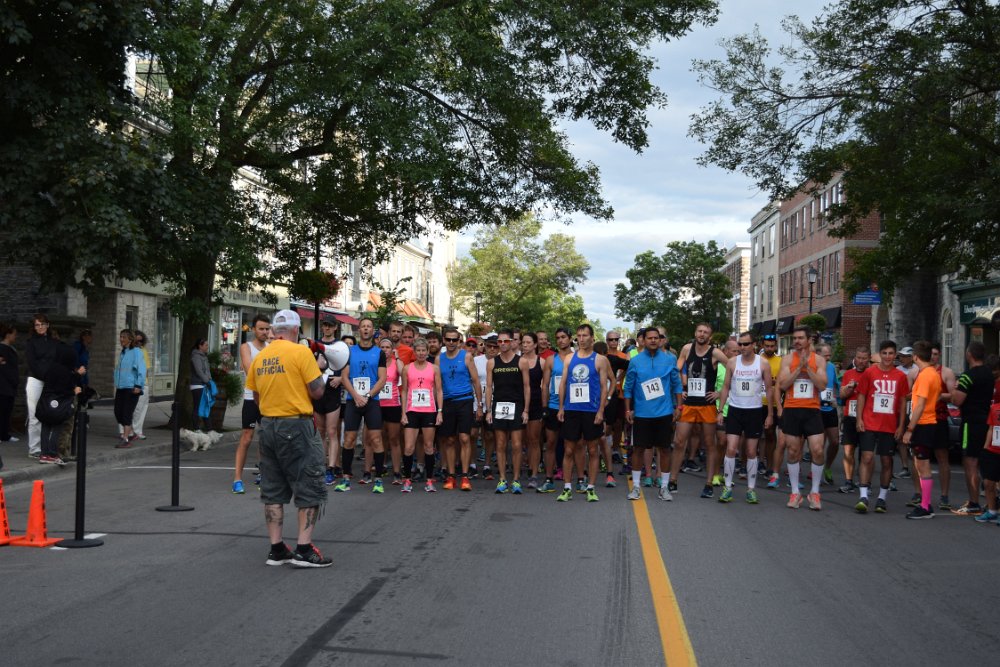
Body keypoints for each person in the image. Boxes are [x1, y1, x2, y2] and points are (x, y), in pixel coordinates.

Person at [245, 309, 330, 568]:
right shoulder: (301, 352)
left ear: (274, 330)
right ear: (295, 330)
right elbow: (318, 392)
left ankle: (277, 548)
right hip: (297, 424)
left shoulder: (261, 357)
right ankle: (303, 549)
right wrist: (320, 369)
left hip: (268, 425)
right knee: (309, 482)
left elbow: (256, 396)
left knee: (272, 488)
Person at [623, 327, 683, 501]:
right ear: (643, 340)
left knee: (665, 449)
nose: (653, 340)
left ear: (661, 340)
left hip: (664, 412)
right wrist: (627, 409)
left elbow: (676, 384)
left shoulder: (669, 359)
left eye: (657, 337)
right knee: (638, 449)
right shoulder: (635, 361)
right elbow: (628, 387)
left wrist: (679, 407)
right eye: (650, 338)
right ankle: (636, 487)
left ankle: (664, 487)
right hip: (642, 413)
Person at [556, 323, 612, 502]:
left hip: (591, 411)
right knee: (569, 450)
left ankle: (591, 488)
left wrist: (601, 410)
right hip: (572, 410)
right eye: (578, 336)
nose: (581, 339)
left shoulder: (600, 359)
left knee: (593, 450)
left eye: (585, 335)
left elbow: (604, 387)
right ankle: (567, 488)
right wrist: (561, 407)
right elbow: (563, 384)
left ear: (592, 338)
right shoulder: (569, 358)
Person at [672, 322, 729, 498]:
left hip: (707, 405)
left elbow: (733, 369)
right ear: (695, 333)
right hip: (689, 403)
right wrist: (680, 388)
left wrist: (720, 392)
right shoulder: (686, 349)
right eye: (699, 331)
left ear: (709, 336)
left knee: (710, 444)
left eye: (705, 332)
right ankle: (672, 480)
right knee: (679, 441)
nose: (702, 334)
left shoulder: (715, 353)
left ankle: (709, 483)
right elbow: (675, 370)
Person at [775, 325, 828, 510]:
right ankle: (795, 492)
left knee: (818, 450)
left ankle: (815, 492)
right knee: (792, 451)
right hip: (792, 409)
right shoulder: (787, 359)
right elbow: (783, 385)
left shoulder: (819, 360)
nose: (796, 341)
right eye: (795, 338)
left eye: (800, 338)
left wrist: (808, 369)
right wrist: (799, 368)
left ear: (809, 340)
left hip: (812, 410)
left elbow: (822, 385)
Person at [717, 331, 774, 504]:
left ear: (754, 344)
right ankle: (727, 487)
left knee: (750, 451)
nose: (742, 347)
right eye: (740, 344)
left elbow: (769, 389)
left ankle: (751, 489)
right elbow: (725, 387)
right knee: (731, 449)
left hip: (754, 411)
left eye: (746, 344)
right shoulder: (732, 362)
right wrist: (720, 410)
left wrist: (770, 414)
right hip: (735, 410)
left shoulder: (762, 363)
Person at [853, 340, 907, 513]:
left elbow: (903, 402)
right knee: (867, 457)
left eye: (891, 353)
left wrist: (901, 426)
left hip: (889, 425)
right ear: (879, 354)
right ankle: (863, 496)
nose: (887, 357)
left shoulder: (900, 376)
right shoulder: (870, 372)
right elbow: (861, 395)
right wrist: (859, 419)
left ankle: (882, 498)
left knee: (886, 461)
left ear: (895, 355)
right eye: (884, 353)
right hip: (870, 422)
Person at [336, 317, 387, 493]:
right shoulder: (350, 351)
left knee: (376, 439)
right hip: (353, 400)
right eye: (363, 326)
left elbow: (382, 379)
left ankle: (378, 479)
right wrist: (356, 396)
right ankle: (346, 478)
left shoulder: (379, 353)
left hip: (371, 401)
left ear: (373, 331)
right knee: (349, 439)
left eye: (369, 327)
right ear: (359, 330)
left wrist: (367, 396)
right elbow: (344, 377)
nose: (366, 329)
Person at [436, 327, 482, 489]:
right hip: (447, 402)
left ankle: (465, 476)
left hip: (465, 400)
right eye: (448, 339)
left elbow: (476, 381)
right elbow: (437, 386)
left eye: (454, 340)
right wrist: (438, 408)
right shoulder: (439, 359)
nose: (451, 342)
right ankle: (451, 475)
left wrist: (480, 405)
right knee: (449, 440)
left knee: (464, 438)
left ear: (459, 341)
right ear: (443, 340)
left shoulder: (467, 356)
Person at [951, 341, 993, 515]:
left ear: (969, 354)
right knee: (984, 461)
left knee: (970, 462)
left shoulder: (967, 376)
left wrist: (952, 392)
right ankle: (989, 502)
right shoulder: (989, 374)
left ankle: (974, 502)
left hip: (970, 422)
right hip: (986, 421)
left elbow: (957, 400)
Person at [902, 340, 943, 519]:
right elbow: (935, 395)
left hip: (923, 424)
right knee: (920, 464)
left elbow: (920, 405)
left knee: (923, 465)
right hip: (926, 422)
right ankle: (925, 504)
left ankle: (926, 506)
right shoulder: (932, 373)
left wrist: (910, 429)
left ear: (915, 357)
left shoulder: (926, 375)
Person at [485, 329, 529, 493]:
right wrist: (488, 410)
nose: (503, 344)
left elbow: (527, 387)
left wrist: (526, 410)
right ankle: (502, 479)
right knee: (501, 444)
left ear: (512, 342)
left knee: (517, 445)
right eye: (500, 341)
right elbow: (489, 387)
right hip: (499, 406)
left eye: (506, 341)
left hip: (516, 405)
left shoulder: (521, 361)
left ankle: (516, 480)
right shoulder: (492, 363)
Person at [400, 338, 444, 492]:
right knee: (409, 447)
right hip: (412, 411)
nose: (420, 353)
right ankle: (407, 480)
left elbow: (439, 390)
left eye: (423, 350)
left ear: (427, 351)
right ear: (414, 351)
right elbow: (404, 391)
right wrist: (403, 412)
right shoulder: (407, 368)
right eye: (418, 350)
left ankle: (429, 480)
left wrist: (439, 412)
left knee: (428, 446)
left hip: (429, 411)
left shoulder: (434, 368)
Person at [233, 315, 270, 494]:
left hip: (268, 398)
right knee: (247, 437)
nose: (264, 332)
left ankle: (264, 473)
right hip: (251, 398)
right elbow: (250, 371)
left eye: (267, 329)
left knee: (266, 438)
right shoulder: (246, 347)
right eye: (261, 329)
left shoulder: (272, 347)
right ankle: (237, 479)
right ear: (254, 329)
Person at [37, 339, 84, 465]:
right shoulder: (66, 372)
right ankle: (52, 454)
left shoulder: (51, 368)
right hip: (58, 405)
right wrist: (75, 389)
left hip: (45, 403)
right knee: (57, 428)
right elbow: (66, 387)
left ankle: (44, 454)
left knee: (45, 428)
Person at [540, 327, 573, 492]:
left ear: (570, 339)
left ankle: (575, 480)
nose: (561, 340)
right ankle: (549, 479)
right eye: (558, 338)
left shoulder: (577, 358)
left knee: (572, 446)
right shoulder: (550, 360)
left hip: (572, 406)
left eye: (564, 337)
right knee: (551, 444)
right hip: (553, 406)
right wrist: (545, 407)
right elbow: (545, 385)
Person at [838, 347, 871, 493]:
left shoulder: (872, 373)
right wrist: (849, 389)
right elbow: (841, 395)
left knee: (866, 453)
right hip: (850, 416)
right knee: (848, 450)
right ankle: (848, 481)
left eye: (864, 358)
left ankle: (866, 482)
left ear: (868, 359)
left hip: (867, 417)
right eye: (858, 358)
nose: (861, 361)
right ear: (855, 358)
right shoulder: (848, 374)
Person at [25, 313, 57, 457]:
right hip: (35, 380)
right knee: (34, 416)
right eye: (37, 325)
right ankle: (34, 449)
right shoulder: (31, 342)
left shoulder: (53, 341)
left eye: (42, 324)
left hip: (50, 381)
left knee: (50, 414)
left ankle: (48, 446)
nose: (40, 327)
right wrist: (45, 376)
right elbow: (32, 363)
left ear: (48, 325)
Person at [519, 332, 545, 489]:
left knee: (534, 439)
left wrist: (545, 406)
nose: (525, 345)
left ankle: (534, 473)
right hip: (518, 402)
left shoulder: (541, 362)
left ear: (535, 344)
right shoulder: (517, 361)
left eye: (528, 342)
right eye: (523, 342)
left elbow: (545, 385)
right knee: (520, 440)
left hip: (535, 402)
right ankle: (519, 470)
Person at [114, 329, 146, 448]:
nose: (121, 339)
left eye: (124, 337)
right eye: (120, 336)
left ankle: (126, 439)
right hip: (121, 387)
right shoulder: (123, 352)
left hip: (131, 388)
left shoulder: (136, 351)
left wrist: (138, 385)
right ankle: (131, 432)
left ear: (130, 339)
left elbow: (142, 369)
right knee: (118, 412)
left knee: (126, 413)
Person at [379, 337, 405, 485]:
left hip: (393, 404)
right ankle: (381, 466)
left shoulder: (396, 362)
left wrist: (398, 357)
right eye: (382, 347)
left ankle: (396, 471)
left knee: (394, 439)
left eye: (387, 347)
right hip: (377, 404)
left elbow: (403, 373)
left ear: (392, 349)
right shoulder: (376, 362)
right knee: (380, 437)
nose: (385, 350)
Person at [816, 343, 842, 486]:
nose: (828, 358)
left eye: (829, 355)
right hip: (816, 409)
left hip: (830, 408)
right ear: (818, 355)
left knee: (835, 442)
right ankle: (817, 471)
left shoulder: (831, 367)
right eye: (825, 356)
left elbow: (836, 385)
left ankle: (827, 467)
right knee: (818, 444)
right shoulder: (813, 366)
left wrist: (838, 399)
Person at [973, 397, 1000, 524]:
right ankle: (992, 511)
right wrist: (985, 448)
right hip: (993, 450)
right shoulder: (994, 408)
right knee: (988, 483)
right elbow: (991, 428)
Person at [128, 330, 152, 439]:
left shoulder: (143, 351)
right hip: (134, 383)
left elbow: (146, 368)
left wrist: (146, 382)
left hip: (144, 383)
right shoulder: (130, 351)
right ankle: (131, 430)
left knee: (143, 407)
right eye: (137, 341)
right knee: (136, 408)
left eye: (141, 341)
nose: (139, 343)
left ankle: (138, 430)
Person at [0, 323, 18, 447]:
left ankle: (4, 434)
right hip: (3, 385)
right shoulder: (2, 349)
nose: (15, 337)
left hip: (10, 385)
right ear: (8, 335)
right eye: (14, 334)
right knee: (2, 410)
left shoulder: (11, 349)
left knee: (7, 411)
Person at [190, 338, 213, 431]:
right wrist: (207, 381)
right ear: (200, 346)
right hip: (197, 385)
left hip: (204, 384)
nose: (207, 347)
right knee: (198, 407)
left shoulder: (204, 356)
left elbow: (207, 371)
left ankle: (209, 429)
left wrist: (210, 380)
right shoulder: (196, 357)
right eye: (206, 345)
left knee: (205, 407)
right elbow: (199, 371)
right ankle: (196, 428)